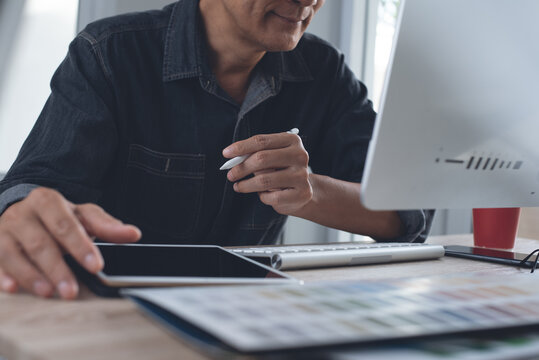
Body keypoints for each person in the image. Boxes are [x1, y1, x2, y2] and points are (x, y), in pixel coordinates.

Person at [0, 0, 433, 300]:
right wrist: (20, 211)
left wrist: (313, 192)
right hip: (113, 314)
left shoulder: (324, 71)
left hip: (248, 319)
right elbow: (30, 189)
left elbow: (409, 213)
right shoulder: (109, 53)